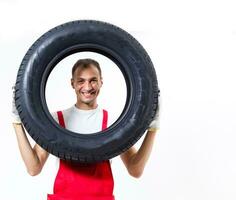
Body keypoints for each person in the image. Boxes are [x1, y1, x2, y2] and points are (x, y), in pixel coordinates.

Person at [12, 58, 160, 200]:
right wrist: (17, 122)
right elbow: (34, 167)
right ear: (73, 83)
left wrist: (152, 128)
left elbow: (135, 169)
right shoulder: (56, 120)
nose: (87, 87)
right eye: (81, 81)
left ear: (101, 82)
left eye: (93, 80)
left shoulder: (112, 122)